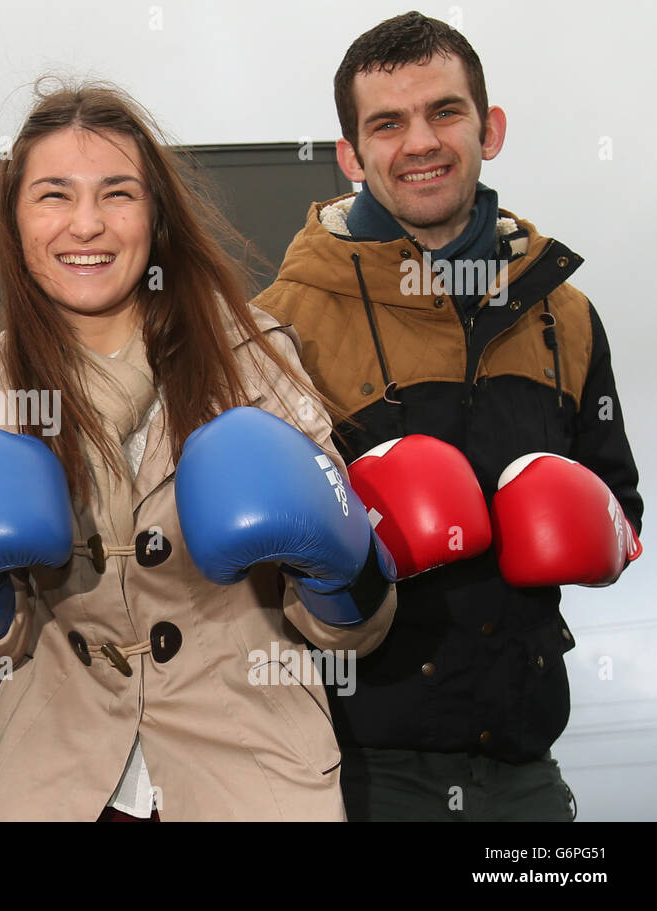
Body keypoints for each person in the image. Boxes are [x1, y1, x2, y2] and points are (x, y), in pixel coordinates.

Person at [0, 81, 400, 821]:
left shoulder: (252, 354)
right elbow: (3, 649)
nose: (87, 224)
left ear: (155, 216)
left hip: (248, 770)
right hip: (56, 778)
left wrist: (338, 562)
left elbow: (354, 630)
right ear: (16, 219)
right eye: (53, 195)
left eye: (117, 193)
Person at [254, 12, 643, 820]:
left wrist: (590, 525)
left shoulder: (565, 314)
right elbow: (238, 559)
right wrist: (361, 541)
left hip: (525, 764)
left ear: (489, 128)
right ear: (351, 155)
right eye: (387, 124)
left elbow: (622, 502)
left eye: (445, 112)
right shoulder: (276, 325)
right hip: (350, 769)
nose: (420, 142)